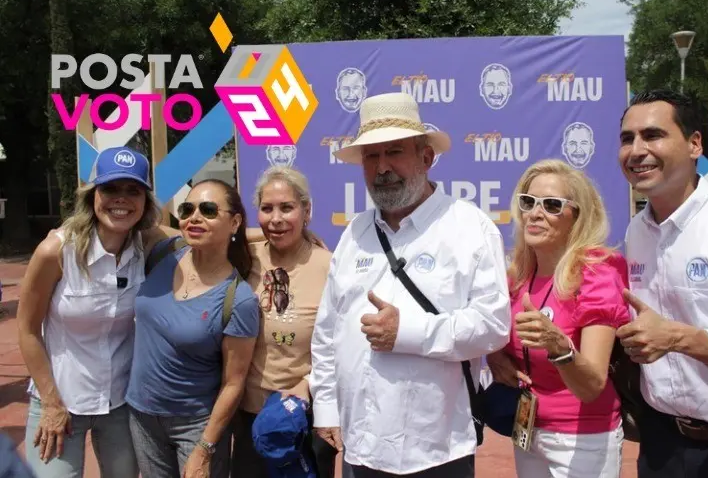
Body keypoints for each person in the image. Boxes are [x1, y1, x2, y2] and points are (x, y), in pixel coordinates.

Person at [310, 92, 511, 477]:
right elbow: (327, 333)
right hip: (359, 447)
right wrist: (326, 409)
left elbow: (493, 326)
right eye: (371, 156)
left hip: (437, 451)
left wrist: (408, 332)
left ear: (426, 157)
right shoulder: (355, 232)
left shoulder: (470, 228)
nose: (382, 167)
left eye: (395, 152)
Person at [616, 89, 708, 477]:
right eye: (627, 138)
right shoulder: (636, 232)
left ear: (694, 143)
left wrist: (679, 338)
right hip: (660, 444)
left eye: (653, 135)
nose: (636, 150)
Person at [16, 146, 160, 478]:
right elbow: (26, 330)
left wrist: (271, 237)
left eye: (132, 190)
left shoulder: (147, 242)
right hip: (59, 401)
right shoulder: (56, 250)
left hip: (120, 404)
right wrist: (52, 404)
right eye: (110, 189)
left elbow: (206, 239)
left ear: (145, 201)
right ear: (92, 194)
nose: (121, 199)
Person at [486, 159, 630, 478]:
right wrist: (495, 356)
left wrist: (558, 345)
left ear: (576, 217)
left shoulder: (596, 274)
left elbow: (592, 384)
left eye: (552, 205)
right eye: (528, 202)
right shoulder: (517, 277)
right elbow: (492, 335)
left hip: (583, 439)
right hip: (526, 429)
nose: (535, 213)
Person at [125, 179, 259, 478]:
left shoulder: (238, 300)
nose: (194, 217)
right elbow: (116, 221)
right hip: (141, 416)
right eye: (187, 209)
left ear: (235, 221)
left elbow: (233, 384)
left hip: (196, 425)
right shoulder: (162, 251)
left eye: (209, 210)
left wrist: (205, 447)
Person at [231, 166, 337, 478]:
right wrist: (245, 232)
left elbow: (344, 344)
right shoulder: (244, 257)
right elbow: (178, 237)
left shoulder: (331, 266)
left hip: (305, 416)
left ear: (307, 210)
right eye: (267, 209)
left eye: (287, 208)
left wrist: (308, 386)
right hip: (249, 415)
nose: (276, 218)